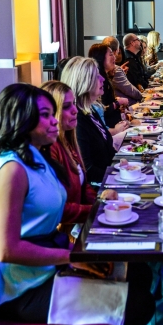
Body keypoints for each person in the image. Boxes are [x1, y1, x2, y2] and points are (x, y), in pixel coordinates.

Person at [0, 83, 154, 325]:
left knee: (140, 271)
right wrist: (70, 258)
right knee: (140, 303)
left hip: (49, 268)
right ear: (20, 119)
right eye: (45, 115)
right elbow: (6, 250)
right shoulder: (12, 169)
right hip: (26, 287)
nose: (55, 121)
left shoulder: (37, 158)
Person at [41, 80, 97, 227]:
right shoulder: (49, 148)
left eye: (73, 103)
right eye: (66, 106)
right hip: (62, 234)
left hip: (78, 225)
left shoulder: (67, 140)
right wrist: (97, 210)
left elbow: (84, 187)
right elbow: (58, 209)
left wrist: (102, 204)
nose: (75, 110)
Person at [61, 57, 122, 182]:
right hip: (99, 188)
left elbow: (108, 151)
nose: (103, 79)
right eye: (97, 76)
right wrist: (117, 175)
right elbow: (88, 170)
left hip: (109, 179)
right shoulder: (77, 119)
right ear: (84, 82)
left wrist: (124, 165)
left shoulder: (91, 110)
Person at [88, 43, 126, 128]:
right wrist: (118, 103)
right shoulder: (98, 80)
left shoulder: (105, 76)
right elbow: (101, 110)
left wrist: (117, 106)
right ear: (101, 58)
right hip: (109, 129)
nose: (115, 57)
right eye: (111, 55)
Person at [101, 36, 142, 106]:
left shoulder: (99, 68)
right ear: (116, 51)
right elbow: (130, 90)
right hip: (125, 107)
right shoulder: (115, 69)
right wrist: (142, 97)